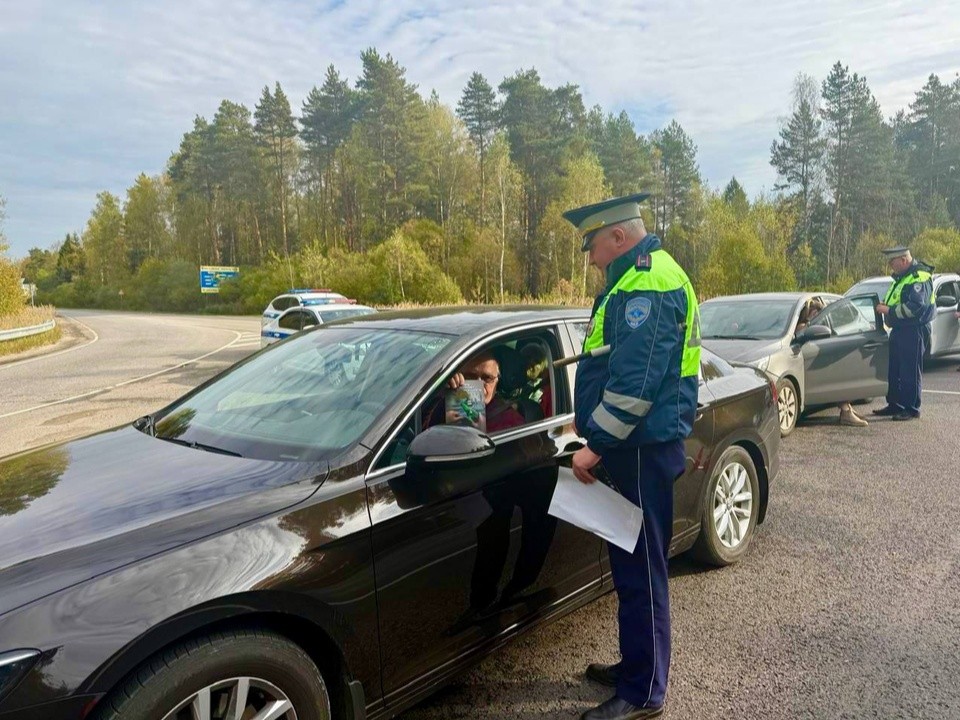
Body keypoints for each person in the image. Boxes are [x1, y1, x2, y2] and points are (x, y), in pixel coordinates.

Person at [563, 193, 700, 720]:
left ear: (618, 237)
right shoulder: (633, 279)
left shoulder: (647, 282)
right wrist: (589, 416)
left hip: (639, 451)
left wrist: (593, 447)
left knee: (643, 575)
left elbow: (635, 387)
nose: (591, 258)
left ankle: (645, 692)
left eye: (593, 247)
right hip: (634, 447)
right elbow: (610, 362)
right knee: (631, 570)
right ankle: (634, 667)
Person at [872, 247, 934, 421]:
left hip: (914, 329)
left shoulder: (918, 277)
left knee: (910, 370)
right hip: (900, 329)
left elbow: (916, 308)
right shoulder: (902, 278)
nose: (891, 266)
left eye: (893, 262)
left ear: (903, 260)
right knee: (895, 368)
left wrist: (889, 310)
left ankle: (911, 408)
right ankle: (895, 404)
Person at [795, 298, 868, 427]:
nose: (819, 318)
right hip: (806, 366)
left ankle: (847, 408)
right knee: (837, 375)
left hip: (813, 363)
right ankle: (846, 411)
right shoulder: (803, 327)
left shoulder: (811, 326)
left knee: (842, 372)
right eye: (817, 314)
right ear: (810, 313)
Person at [425, 350, 525, 432]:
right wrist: (441, 393)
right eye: (470, 377)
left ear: (497, 380)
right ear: (459, 376)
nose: (479, 385)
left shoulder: (510, 419)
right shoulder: (446, 403)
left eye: (487, 378)